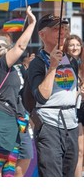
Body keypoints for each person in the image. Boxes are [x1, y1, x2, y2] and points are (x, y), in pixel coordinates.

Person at [0, 6, 36, 177]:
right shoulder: (0, 65)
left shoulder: (0, 66)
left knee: (10, 162)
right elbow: (20, 46)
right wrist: (32, 22)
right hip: (1, 118)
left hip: (10, 118)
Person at [28, 13, 79, 177]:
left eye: (64, 28)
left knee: (68, 176)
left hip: (71, 125)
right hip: (49, 126)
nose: (62, 32)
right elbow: (41, 97)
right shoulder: (37, 62)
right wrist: (52, 67)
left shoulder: (72, 60)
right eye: (56, 29)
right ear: (42, 35)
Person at [62, 34, 84, 177]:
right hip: (74, 109)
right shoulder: (64, 64)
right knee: (79, 150)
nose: (75, 47)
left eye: (77, 45)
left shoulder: (82, 64)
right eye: (71, 45)